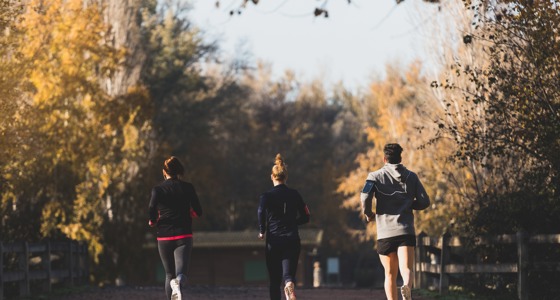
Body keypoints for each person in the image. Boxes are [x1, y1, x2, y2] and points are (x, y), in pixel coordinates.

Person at [360, 144, 430, 300]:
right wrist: (409, 204)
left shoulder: (374, 176)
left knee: (390, 274)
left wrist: (369, 213)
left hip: (385, 233)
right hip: (405, 230)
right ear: (401, 158)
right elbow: (425, 201)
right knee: (406, 269)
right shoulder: (412, 177)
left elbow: (364, 196)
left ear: (385, 159)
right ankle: (406, 286)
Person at [148, 156, 203, 300]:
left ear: (164, 172)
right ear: (179, 170)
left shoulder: (157, 190)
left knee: (168, 274)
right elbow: (198, 211)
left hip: (164, 236)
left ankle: (173, 286)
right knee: (181, 274)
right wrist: (190, 213)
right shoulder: (188, 187)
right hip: (183, 236)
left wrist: (153, 221)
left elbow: (151, 208)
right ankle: (177, 282)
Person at [258, 154, 310, 300]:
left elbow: (260, 211)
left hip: (273, 241)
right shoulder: (295, 194)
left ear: (272, 177)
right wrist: (293, 223)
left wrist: (262, 230)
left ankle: (283, 289)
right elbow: (306, 216)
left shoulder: (266, 196)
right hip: (292, 239)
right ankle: (289, 285)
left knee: (274, 281)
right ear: (286, 177)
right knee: (288, 275)